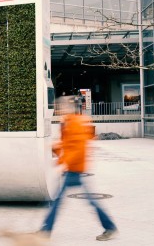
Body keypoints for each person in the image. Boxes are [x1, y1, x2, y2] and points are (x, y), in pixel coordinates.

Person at [39, 95, 118, 241]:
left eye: (61, 107)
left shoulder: (75, 123)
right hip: (73, 168)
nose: (59, 109)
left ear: (70, 108)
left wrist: (62, 162)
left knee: (58, 201)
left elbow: (78, 148)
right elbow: (68, 144)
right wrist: (55, 148)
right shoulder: (68, 122)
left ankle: (45, 231)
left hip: (75, 169)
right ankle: (110, 227)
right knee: (81, 201)